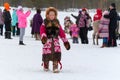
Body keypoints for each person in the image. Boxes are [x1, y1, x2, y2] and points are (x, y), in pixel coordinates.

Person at [40, 7, 70, 73]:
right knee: (47, 53)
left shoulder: (57, 23)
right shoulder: (44, 22)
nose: (51, 16)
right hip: (47, 41)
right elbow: (42, 30)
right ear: (47, 15)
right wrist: (44, 36)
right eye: (50, 15)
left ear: (55, 15)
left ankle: (55, 66)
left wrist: (65, 41)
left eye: (53, 15)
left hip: (55, 41)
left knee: (56, 53)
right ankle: (46, 64)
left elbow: (61, 33)